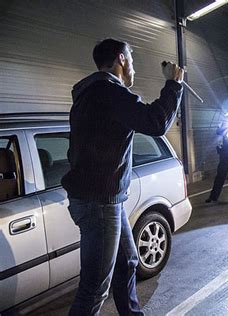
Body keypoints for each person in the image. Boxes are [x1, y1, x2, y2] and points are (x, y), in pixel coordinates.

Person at [61, 38, 184, 315]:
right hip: (99, 202)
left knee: (128, 260)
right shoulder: (108, 92)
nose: (134, 69)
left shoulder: (89, 94)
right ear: (121, 59)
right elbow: (155, 122)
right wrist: (174, 84)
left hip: (104, 200)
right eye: (132, 60)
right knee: (94, 289)